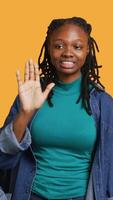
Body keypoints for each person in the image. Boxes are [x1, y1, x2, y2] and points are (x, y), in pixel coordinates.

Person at [0, 16, 113, 200]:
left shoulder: (103, 104)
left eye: (77, 46)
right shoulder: (31, 94)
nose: (67, 53)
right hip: (30, 195)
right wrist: (25, 114)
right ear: (49, 48)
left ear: (88, 51)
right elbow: (3, 160)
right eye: (59, 45)